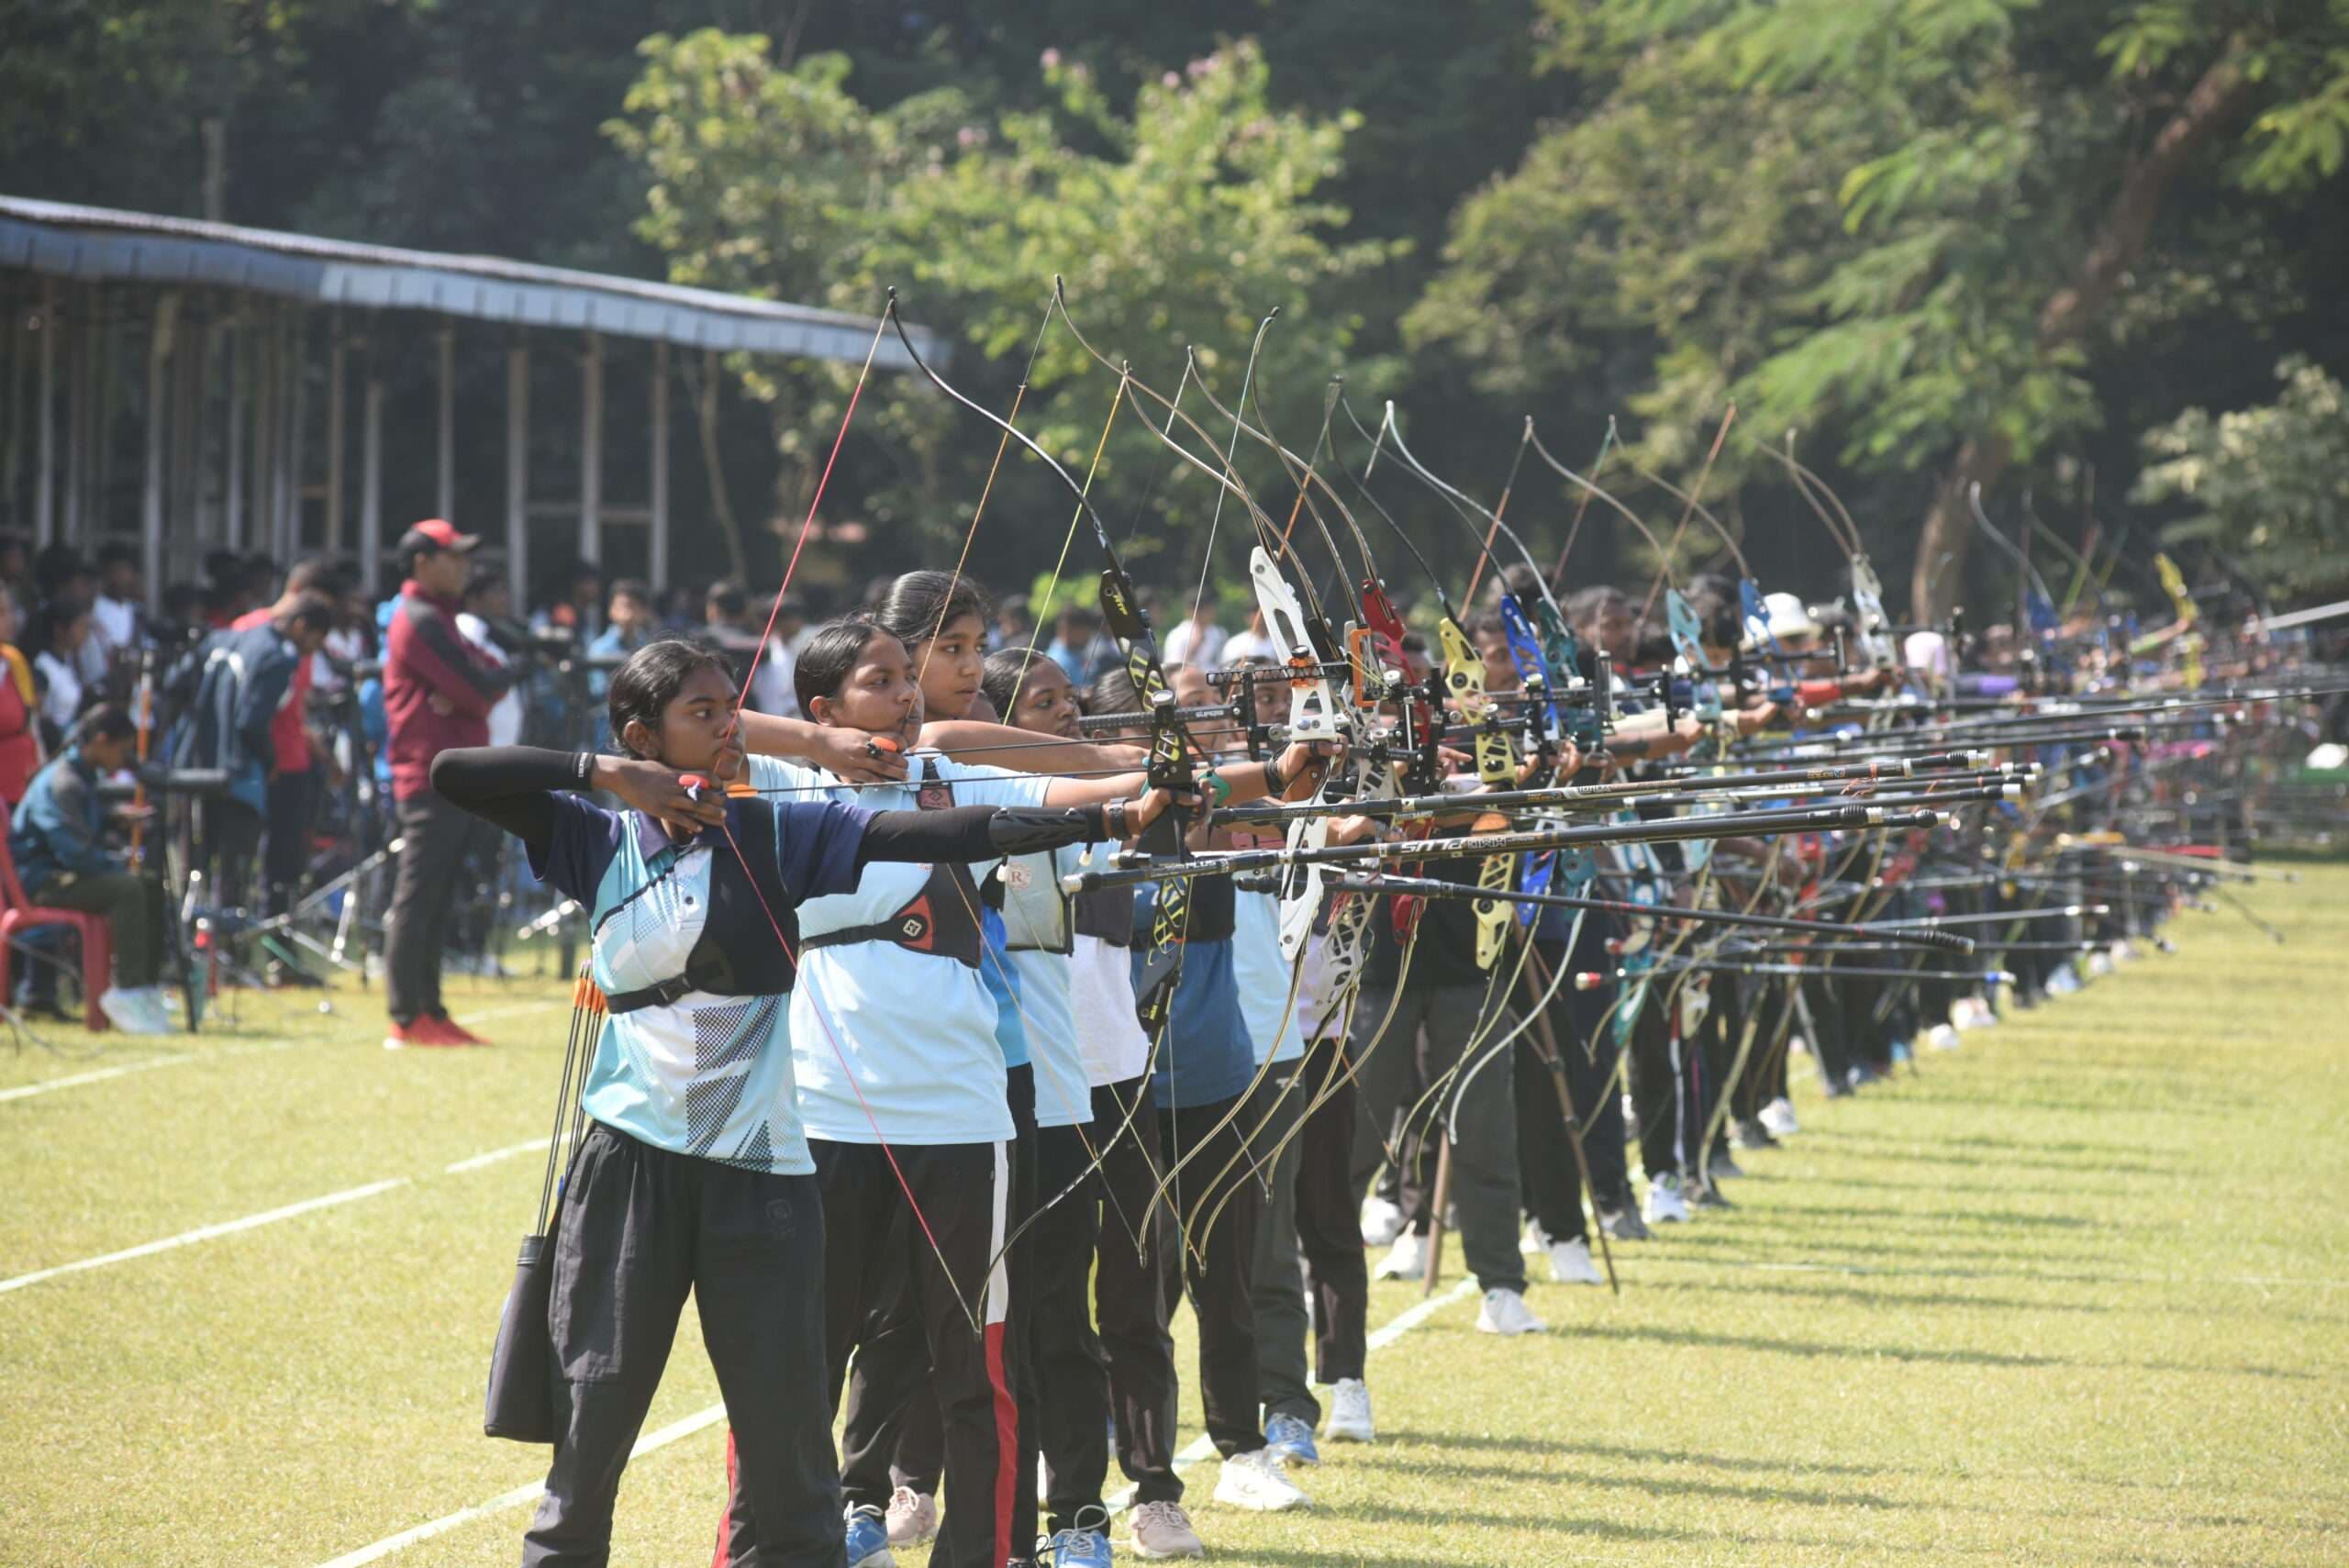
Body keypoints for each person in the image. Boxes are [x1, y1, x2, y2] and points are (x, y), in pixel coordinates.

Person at [433, 638, 1136, 1568]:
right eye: (703, 713)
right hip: (631, 1167)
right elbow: (455, 771)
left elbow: (932, 833)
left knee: (786, 1427)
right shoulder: (593, 838)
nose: (729, 726)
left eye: (733, 706)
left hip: (759, 1174)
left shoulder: (774, 832)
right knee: (594, 1413)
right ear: (644, 735)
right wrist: (612, 776)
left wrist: (1109, 813)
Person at [711, 616, 1184, 1568]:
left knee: (976, 1359)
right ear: (825, 705)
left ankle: (982, 1552)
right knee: (804, 1352)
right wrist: (816, 745)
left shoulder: (950, 773)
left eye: (904, 678)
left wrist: (1189, 772)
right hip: (826, 1109)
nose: (906, 694)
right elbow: (696, 726)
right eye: (879, 681)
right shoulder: (784, 783)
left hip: (963, 1107)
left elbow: (1090, 787)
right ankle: (776, 1544)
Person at [381, 518, 515, 1050]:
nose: (464, 567)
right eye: (452, 556)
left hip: (451, 773)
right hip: (429, 775)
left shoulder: (440, 617)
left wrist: (478, 689)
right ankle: (407, 1015)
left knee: (436, 898)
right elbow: (480, 686)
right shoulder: (418, 619)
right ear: (421, 563)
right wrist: (477, 690)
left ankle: (428, 1010)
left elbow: (487, 678)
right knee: (419, 897)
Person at [8, 705, 173, 1034]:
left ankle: (145, 988)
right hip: (41, 883)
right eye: (123, 750)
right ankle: (126, 990)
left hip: (62, 875)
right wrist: (118, 863)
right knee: (128, 888)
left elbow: (79, 833)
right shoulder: (63, 782)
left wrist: (113, 817)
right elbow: (75, 853)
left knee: (150, 883)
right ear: (100, 741)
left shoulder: (80, 775)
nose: (124, 761)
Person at [173, 594, 338, 917]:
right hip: (236, 772)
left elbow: (176, 684)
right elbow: (250, 721)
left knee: (192, 864)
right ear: (301, 626)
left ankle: (185, 939)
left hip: (192, 763)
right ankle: (227, 949)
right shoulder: (277, 657)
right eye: (315, 641)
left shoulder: (222, 638)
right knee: (234, 869)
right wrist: (270, 761)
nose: (313, 650)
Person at [705, 579, 796, 717]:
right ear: (747, 609)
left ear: (713, 608)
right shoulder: (769, 647)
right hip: (758, 722)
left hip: (713, 719)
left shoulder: (699, 641)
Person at [0, 594, 45, 806]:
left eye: (9, 611)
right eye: (2, 612)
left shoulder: (14, 661)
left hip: (20, 785)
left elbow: (30, 724)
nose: (10, 619)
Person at [31, 598, 95, 743]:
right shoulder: (42, 667)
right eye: (80, 627)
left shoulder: (69, 662)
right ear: (60, 629)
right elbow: (39, 722)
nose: (85, 634)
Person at [1160, 601, 1225, 669]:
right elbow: (1173, 667)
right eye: (1205, 610)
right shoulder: (1177, 634)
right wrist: (1194, 645)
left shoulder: (1218, 632)